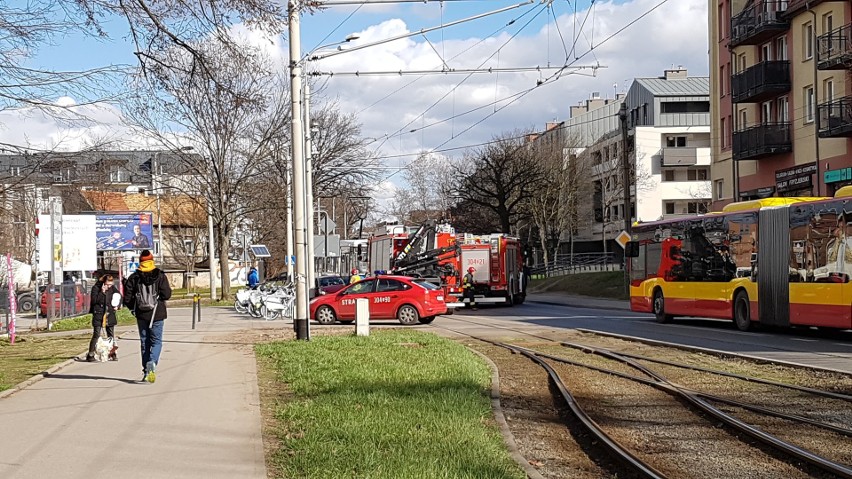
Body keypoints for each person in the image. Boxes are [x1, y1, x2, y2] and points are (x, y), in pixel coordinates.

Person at [123, 250, 172, 383]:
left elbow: (127, 298)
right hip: (157, 313)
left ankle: (146, 371)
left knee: (145, 342)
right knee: (157, 341)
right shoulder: (160, 275)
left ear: (140, 262)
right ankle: (153, 362)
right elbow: (167, 294)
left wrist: (134, 309)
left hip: (141, 315)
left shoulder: (134, 277)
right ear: (152, 260)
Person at [85, 275, 121, 362]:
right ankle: (90, 354)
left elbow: (118, 296)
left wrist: (118, 305)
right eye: (107, 284)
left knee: (111, 335)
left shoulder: (112, 288)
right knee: (96, 334)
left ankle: (112, 353)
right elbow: (94, 301)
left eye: (110, 284)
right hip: (99, 314)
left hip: (109, 313)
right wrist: (102, 292)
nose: (109, 286)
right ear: (103, 283)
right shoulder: (96, 288)